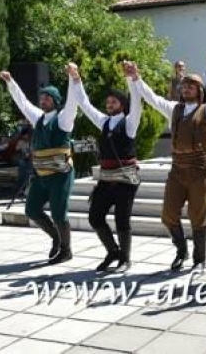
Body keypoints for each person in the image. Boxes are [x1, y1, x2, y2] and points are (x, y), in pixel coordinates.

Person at [129, 58, 206, 272]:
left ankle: (200, 259)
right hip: (177, 169)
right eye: (184, 85)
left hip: (199, 170)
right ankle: (181, 250)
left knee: (197, 215)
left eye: (191, 86)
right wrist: (136, 79)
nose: (186, 88)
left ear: (199, 90)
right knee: (168, 214)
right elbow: (152, 99)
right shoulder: (174, 109)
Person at [0, 67, 79, 264]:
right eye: (42, 98)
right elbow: (23, 103)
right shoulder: (39, 118)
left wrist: (73, 77)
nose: (43, 101)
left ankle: (66, 249)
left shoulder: (64, 119)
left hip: (60, 175)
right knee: (32, 210)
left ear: (55, 101)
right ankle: (56, 238)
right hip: (42, 174)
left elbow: (73, 103)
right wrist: (10, 81)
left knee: (59, 213)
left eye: (47, 98)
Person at [70, 63, 142, 272]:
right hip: (106, 179)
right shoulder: (103, 122)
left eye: (114, 101)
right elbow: (84, 103)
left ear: (122, 104)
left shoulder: (129, 123)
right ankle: (112, 251)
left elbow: (137, 103)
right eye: (108, 101)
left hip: (126, 180)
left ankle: (125, 259)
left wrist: (132, 79)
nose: (109, 104)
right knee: (95, 217)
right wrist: (76, 80)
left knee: (122, 220)